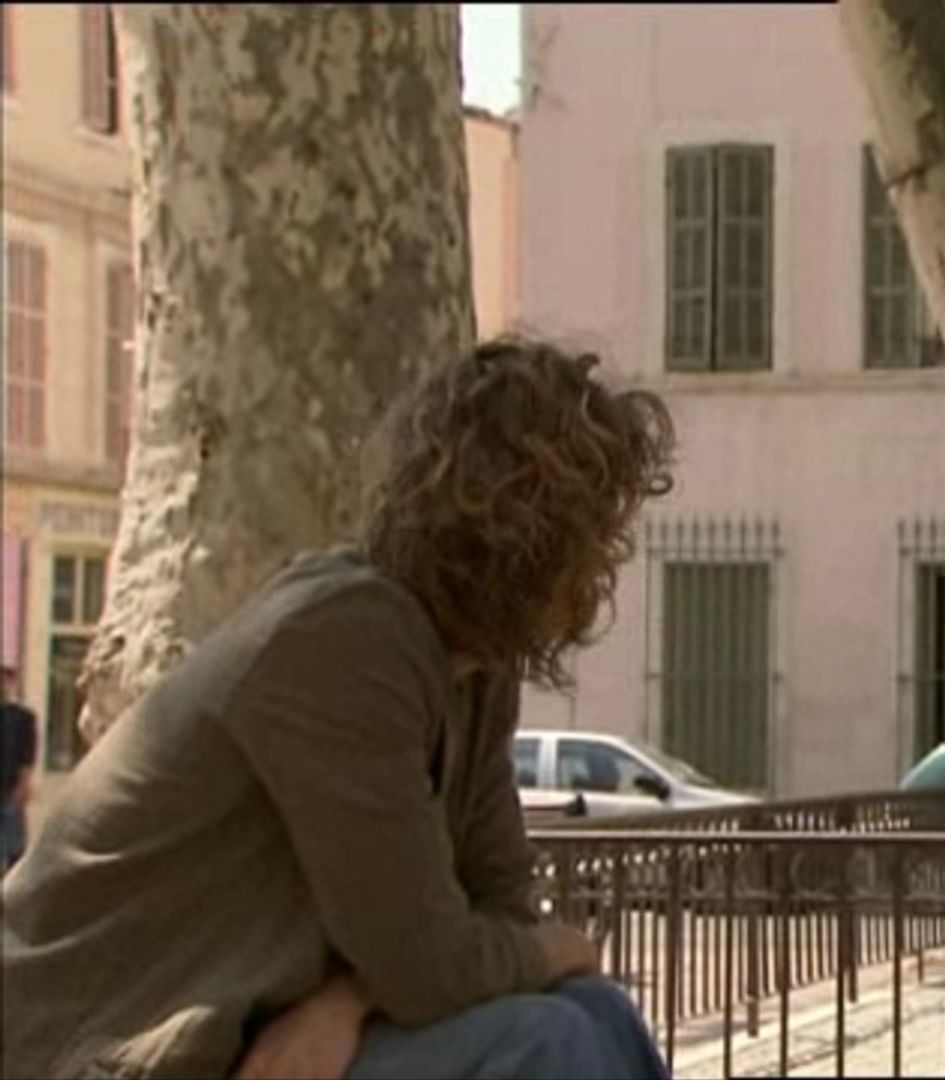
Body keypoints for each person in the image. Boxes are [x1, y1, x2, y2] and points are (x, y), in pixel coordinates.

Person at [1, 338, 677, 1080]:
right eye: (597, 534)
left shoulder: (475, 671)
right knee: (545, 1039)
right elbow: (435, 965)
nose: (604, 565)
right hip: (100, 1047)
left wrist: (348, 1002)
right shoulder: (349, 638)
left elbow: (496, 913)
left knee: (595, 1008)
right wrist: (559, 946)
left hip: (263, 1030)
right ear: (536, 539)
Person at [0, 664, 36, 870]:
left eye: (5, 680)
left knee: (14, 850)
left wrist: (23, 785)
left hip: (11, 789)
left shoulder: (23, 717)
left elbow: (27, 755)